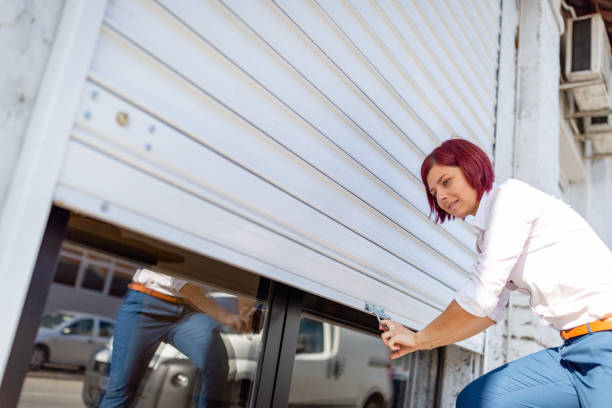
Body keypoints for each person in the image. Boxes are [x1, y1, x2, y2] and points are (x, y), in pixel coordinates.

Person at [380, 138, 612, 407]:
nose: (441, 196)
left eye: (446, 181)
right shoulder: (488, 233)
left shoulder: (508, 199)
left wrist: (419, 338)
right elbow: (488, 312)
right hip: (573, 350)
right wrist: (420, 343)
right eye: (433, 192)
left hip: (605, 342)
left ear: (471, 168)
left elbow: (479, 297)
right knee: (477, 400)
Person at [100, 269, 253, 408]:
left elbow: (241, 275)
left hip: (189, 311)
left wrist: (246, 310)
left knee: (216, 363)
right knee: (121, 390)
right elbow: (181, 282)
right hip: (146, 303)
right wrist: (224, 316)